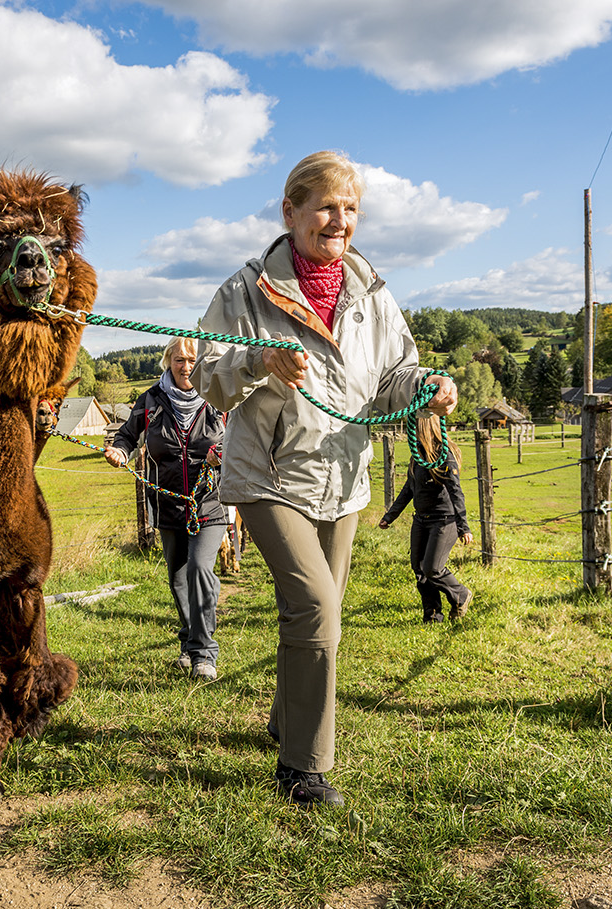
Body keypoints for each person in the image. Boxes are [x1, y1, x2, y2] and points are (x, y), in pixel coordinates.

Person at [191, 150, 458, 808]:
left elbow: (393, 373)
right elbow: (207, 376)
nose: (340, 221)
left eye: (351, 210)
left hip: (344, 478)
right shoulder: (245, 289)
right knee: (315, 606)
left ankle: (287, 719)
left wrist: (425, 386)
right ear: (291, 211)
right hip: (269, 475)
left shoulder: (370, 292)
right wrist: (257, 360)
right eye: (326, 208)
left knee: (322, 611)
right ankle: (302, 769)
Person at [105, 337, 228, 680]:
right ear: (168, 362)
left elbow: (240, 438)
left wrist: (224, 455)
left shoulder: (219, 397)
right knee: (178, 580)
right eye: (179, 360)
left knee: (199, 571)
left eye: (192, 360)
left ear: (201, 363)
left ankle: (205, 653)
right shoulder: (152, 401)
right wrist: (120, 450)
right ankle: (190, 641)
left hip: (209, 501)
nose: (186, 367)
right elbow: (128, 435)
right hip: (168, 503)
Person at [378, 413, 473, 623]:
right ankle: (432, 616)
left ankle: (461, 595)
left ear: (423, 428)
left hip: (443, 520)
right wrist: (390, 516)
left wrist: (463, 526)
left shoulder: (443, 456)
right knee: (419, 570)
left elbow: (456, 491)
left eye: (411, 428)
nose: (407, 433)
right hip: (421, 520)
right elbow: (408, 489)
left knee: (432, 568)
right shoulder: (417, 456)